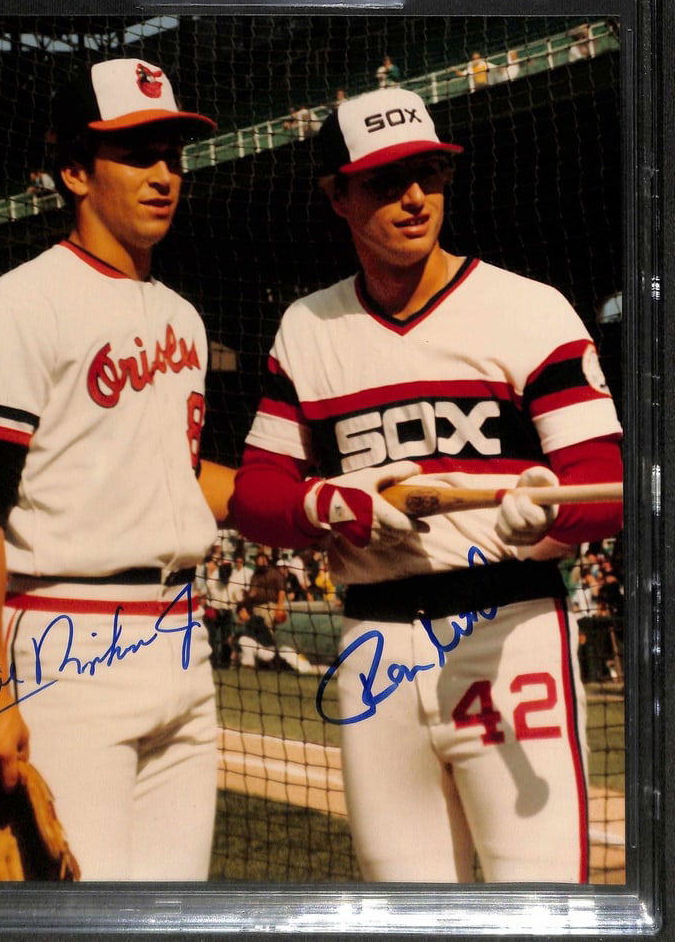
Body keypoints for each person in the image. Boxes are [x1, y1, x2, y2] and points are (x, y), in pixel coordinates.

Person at [230, 86, 623, 883]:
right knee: (399, 904)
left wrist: (541, 520)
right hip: (372, 640)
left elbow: (606, 484)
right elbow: (254, 494)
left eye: (429, 174)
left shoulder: (528, 309)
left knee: (538, 899)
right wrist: (329, 503)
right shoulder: (307, 327)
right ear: (336, 195)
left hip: (506, 631)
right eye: (384, 180)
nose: (414, 196)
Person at [0, 58, 234, 881]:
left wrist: (312, 502)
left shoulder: (181, 312)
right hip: (70, 642)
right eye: (137, 153)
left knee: (176, 920)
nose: (163, 175)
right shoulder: (11, 308)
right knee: (84, 915)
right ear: (74, 171)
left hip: (181, 641)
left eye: (172, 154)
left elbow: (179, 474)